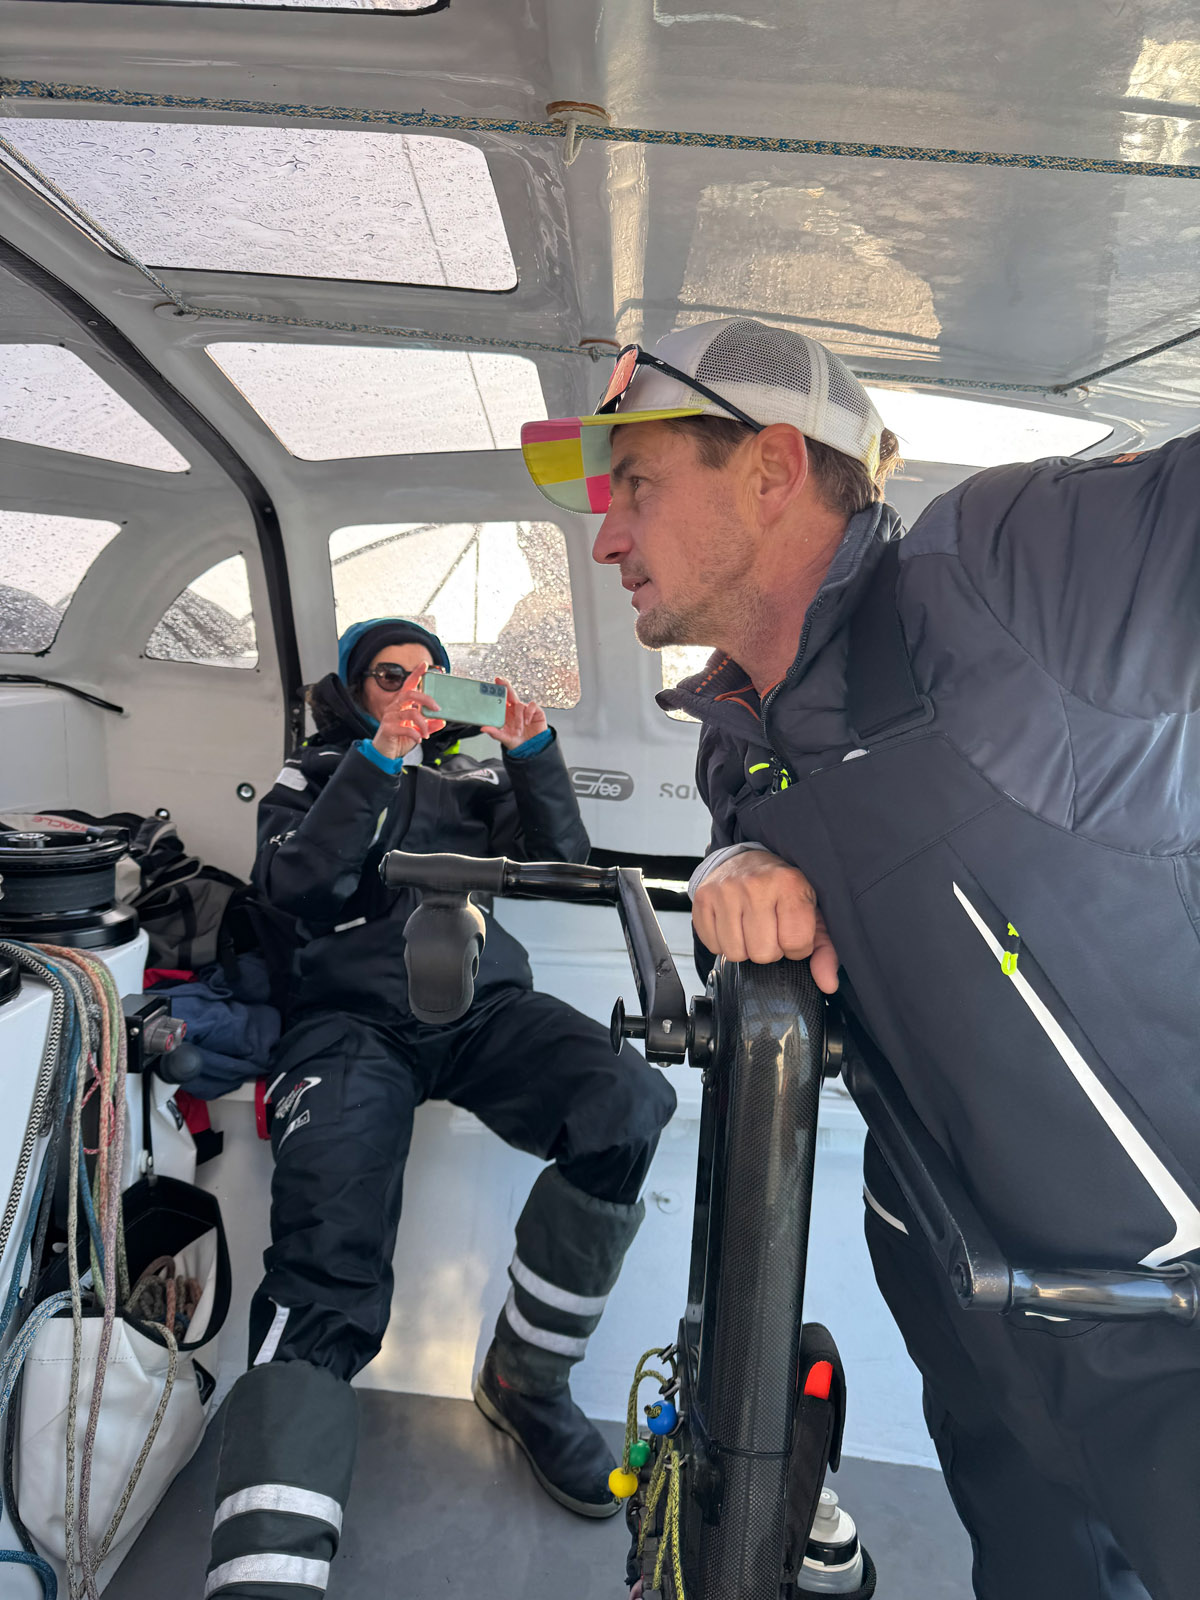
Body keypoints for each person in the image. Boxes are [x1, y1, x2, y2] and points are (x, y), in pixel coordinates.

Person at [520, 317, 1200, 1600]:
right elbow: (747, 896)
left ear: (773, 467)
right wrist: (725, 868)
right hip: (972, 1302)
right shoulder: (735, 738)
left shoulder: (1003, 565)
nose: (606, 538)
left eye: (637, 485)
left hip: (1169, 1315)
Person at [204, 617, 676, 1600]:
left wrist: (533, 752)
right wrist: (377, 762)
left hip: (481, 1010)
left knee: (628, 1102)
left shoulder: (471, 779)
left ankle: (526, 1379)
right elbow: (296, 883)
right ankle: (266, 1563)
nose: (414, 690)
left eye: (433, 677)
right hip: (348, 1024)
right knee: (325, 1253)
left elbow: (566, 859)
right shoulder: (317, 772)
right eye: (391, 675)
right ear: (355, 689)